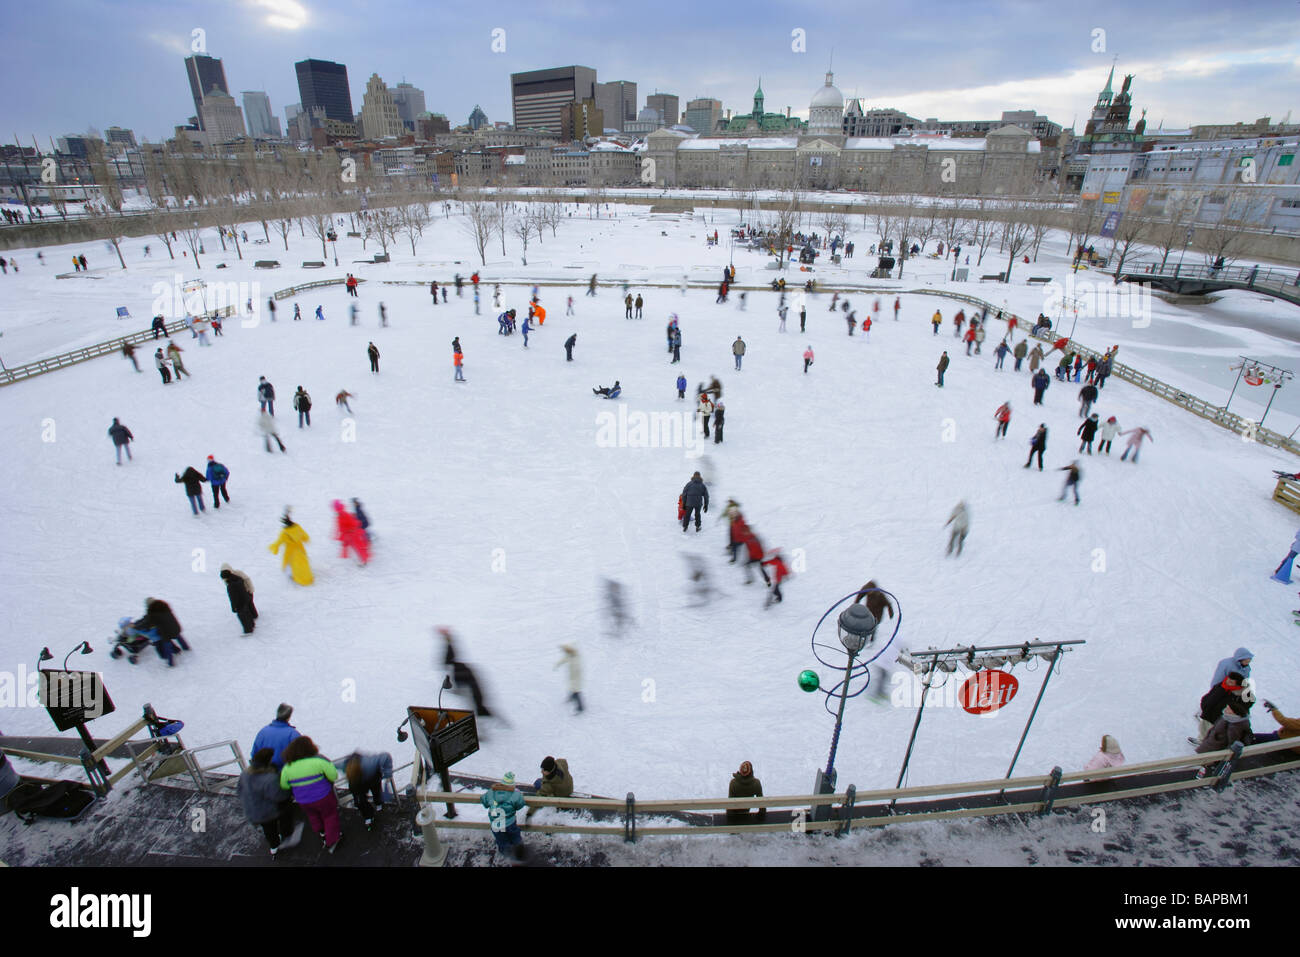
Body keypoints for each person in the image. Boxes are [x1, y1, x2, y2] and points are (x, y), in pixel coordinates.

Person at [279, 736, 342, 853]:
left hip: (303, 800)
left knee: (313, 815)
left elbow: (284, 785)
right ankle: (332, 840)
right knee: (330, 816)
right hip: (324, 797)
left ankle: (321, 831)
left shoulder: (287, 768)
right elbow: (333, 776)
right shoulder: (319, 761)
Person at [238, 747, 303, 857]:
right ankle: (286, 835)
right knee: (285, 809)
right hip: (267, 812)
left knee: (268, 829)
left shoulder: (244, 774)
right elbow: (280, 796)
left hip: (252, 810)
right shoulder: (270, 778)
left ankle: (274, 847)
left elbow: (239, 790)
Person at [440, 627, 494, 716]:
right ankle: (480, 708)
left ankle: (480, 708)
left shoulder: (451, 652)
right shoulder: (452, 653)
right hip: (459, 671)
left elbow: (447, 661)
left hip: (458, 671)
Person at [481, 772, 527, 862]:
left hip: (496, 824)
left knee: (501, 840)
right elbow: (520, 804)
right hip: (510, 822)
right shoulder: (516, 795)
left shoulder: (491, 792)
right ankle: (519, 852)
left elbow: (484, 801)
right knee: (515, 836)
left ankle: (507, 854)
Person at [341, 750, 393, 829]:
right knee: (359, 801)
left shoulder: (370, 763)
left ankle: (378, 803)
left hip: (372, 777)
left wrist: (387, 774)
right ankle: (368, 815)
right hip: (357, 783)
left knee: (376, 790)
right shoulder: (344, 766)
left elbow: (386, 756)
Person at [133, 597, 190, 666]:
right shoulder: (164, 606)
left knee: (167, 646)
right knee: (179, 637)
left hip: (166, 632)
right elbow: (147, 617)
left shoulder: (153, 614)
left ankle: (171, 663)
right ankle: (186, 647)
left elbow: (147, 623)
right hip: (175, 626)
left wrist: (135, 626)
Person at [1197, 671, 1248, 742]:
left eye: (1231, 682)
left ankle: (1208, 745)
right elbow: (1209, 695)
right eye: (1228, 679)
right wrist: (1204, 703)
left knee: (1213, 734)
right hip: (1207, 713)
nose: (1228, 682)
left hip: (1218, 719)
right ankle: (1201, 741)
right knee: (1203, 728)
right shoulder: (1221, 685)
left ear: (1237, 684)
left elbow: (1241, 709)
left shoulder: (1238, 696)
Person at [253, 705, 303, 770]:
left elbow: (254, 754)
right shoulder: (293, 734)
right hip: (284, 773)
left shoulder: (263, 732)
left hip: (264, 772)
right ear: (289, 717)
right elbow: (301, 758)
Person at [269, 512, 313, 585]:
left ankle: (295, 576)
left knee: (291, 564)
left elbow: (278, 542)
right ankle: (306, 577)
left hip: (290, 551)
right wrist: (306, 539)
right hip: (299, 549)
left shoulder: (284, 533)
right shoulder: (298, 527)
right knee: (302, 563)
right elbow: (305, 536)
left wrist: (274, 548)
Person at [526, 756, 573, 823]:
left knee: (537, 783)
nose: (541, 771)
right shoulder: (561, 763)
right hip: (569, 787)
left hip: (560, 794)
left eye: (544, 770)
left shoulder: (549, 785)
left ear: (550, 771)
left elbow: (538, 798)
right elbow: (563, 760)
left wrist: (529, 814)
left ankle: (551, 795)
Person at [333, 499, 370, 565]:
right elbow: (349, 523)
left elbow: (339, 527)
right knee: (355, 546)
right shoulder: (343, 515)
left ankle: (363, 559)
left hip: (350, 534)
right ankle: (363, 558)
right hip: (350, 533)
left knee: (353, 545)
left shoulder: (341, 515)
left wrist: (337, 535)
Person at [555, 645, 583, 714]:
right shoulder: (569, 655)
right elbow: (564, 659)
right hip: (572, 677)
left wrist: (575, 677)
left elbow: (578, 669)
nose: (566, 652)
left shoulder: (576, 658)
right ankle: (572, 697)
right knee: (572, 689)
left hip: (576, 678)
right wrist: (557, 664)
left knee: (576, 692)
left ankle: (580, 707)